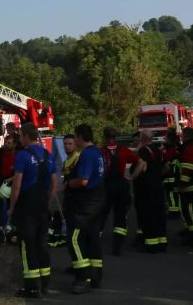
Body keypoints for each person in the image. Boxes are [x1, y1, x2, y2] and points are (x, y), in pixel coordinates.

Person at [8, 124, 57, 298]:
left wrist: (11, 208)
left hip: (26, 208)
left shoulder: (22, 155)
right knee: (41, 244)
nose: (20, 139)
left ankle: (31, 288)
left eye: (21, 135)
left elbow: (17, 185)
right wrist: (47, 201)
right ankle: (45, 284)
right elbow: (54, 184)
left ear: (27, 136)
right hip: (42, 207)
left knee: (27, 245)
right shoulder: (47, 156)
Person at [64, 124, 106, 294]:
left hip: (86, 205)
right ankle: (96, 275)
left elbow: (83, 180)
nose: (74, 140)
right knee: (92, 239)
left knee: (74, 238)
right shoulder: (96, 152)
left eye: (75, 136)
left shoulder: (87, 155)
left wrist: (68, 183)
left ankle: (83, 278)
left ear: (80, 136)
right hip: (97, 202)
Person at [99, 128, 145, 256]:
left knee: (102, 215)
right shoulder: (124, 151)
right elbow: (141, 163)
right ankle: (117, 247)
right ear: (116, 137)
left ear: (104, 137)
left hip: (106, 187)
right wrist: (131, 177)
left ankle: (95, 244)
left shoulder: (101, 152)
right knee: (120, 217)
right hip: (121, 187)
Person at [132, 131, 167, 253]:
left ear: (143, 138)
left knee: (148, 216)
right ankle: (162, 243)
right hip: (158, 186)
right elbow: (165, 166)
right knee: (159, 215)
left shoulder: (144, 151)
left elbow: (142, 166)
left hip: (146, 188)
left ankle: (151, 245)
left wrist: (132, 176)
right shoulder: (158, 150)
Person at [0, 133, 19, 225]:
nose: (6, 144)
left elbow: (20, 172)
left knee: (14, 207)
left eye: (9, 143)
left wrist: (11, 179)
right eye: (5, 142)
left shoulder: (19, 155)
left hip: (12, 183)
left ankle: (13, 228)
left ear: (15, 145)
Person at [162, 132, 181, 219]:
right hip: (174, 176)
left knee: (172, 196)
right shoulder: (175, 148)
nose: (164, 139)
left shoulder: (170, 150)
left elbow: (167, 163)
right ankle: (175, 211)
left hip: (171, 178)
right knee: (173, 195)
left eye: (166, 138)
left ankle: (174, 212)